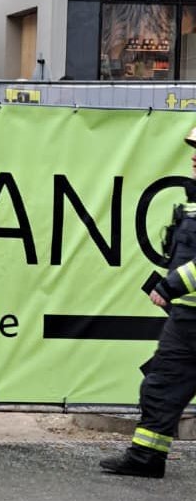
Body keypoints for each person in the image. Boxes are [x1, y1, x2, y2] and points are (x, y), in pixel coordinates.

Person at [100, 127, 196, 478]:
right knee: (160, 385)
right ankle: (146, 458)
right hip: (186, 320)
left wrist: (171, 286)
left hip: (185, 311)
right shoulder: (193, 201)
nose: (194, 156)